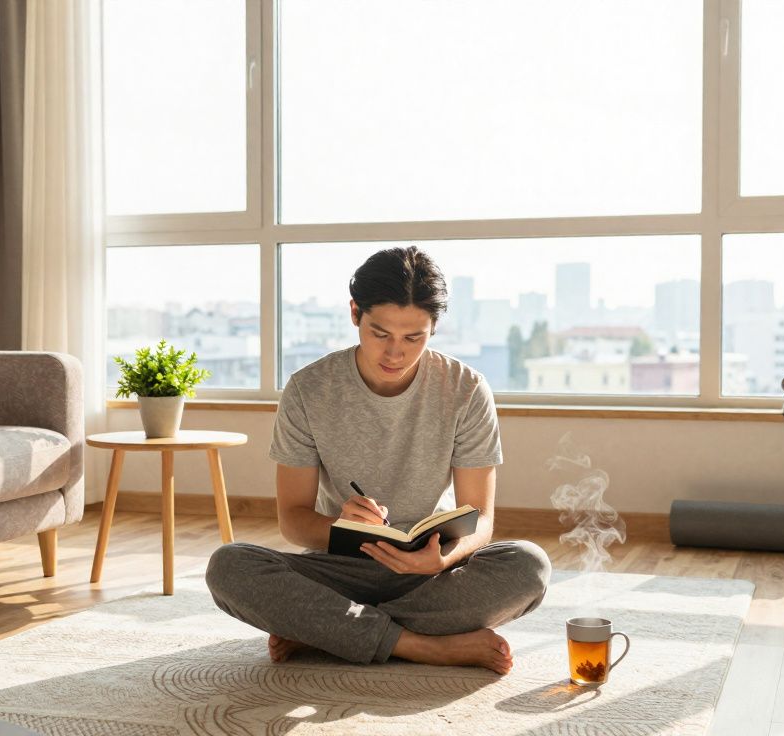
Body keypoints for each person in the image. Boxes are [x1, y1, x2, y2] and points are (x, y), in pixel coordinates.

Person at [205, 246, 550, 675]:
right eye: (380, 333)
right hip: (340, 569)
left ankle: (327, 630)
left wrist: (443, 559)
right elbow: (292, 520)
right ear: (355, 313)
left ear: (434, 328)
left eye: (413, 338)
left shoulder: (466, 389)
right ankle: (423, 645)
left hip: (430, 573)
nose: (395, 354)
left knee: (528, 565)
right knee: (229, 567)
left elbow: (481, 518)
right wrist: (340, 525)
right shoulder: (309, 389)